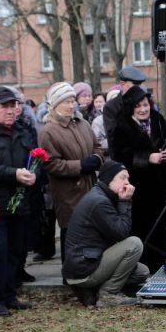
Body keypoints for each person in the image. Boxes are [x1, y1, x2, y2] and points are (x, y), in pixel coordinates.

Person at [0, 87, 38, 316]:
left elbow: (35, 158)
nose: (11, 111)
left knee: (16, 251)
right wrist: (13, 174)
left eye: (14, 105)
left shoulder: (23, 129)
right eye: (5, 106)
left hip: (20, 201)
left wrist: (34, 174)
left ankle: (10, 295)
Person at [63, 160, 150, 307]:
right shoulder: (99, 201)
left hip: (88, 262)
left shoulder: (102, 195)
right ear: (109, 179)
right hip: (84, 270)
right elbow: (121, 233)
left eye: (128, 178)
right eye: (122, 178)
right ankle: (108, 294)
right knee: (134, 244)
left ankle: (92, 291)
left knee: (142, 272)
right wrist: (126, 201)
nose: (127, 183)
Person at [38, 82, 104, 271]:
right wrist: (80, 166)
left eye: (72, 100)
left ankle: (90, 270)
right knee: (72, 233)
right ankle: (71, 274)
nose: (71, 105)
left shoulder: (82, 123)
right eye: (66, 101)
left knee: (91, 231)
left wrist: (96, 159)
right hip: (68, 192)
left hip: (90, 186)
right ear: (55, 104)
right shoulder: (49, 131)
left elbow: (97, 147)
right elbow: (50, 163)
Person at [110, 85, 166, 274]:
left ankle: (160, 264)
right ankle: (143, 268)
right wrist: (147, 158)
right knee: (142, 227)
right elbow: (120, 155)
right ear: (131, 108)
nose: (143, 109)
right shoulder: (122, 126)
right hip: (138, 188)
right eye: (138, 106)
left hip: (160, 186)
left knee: (160, 226)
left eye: (145, 104)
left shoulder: (157, 119)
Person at [103, 66, 147, 144]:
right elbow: (114, 137)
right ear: (122, 84)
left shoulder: (145, 103)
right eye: (135, 85)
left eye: (139, 85)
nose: (138, 89)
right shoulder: (111, 107)